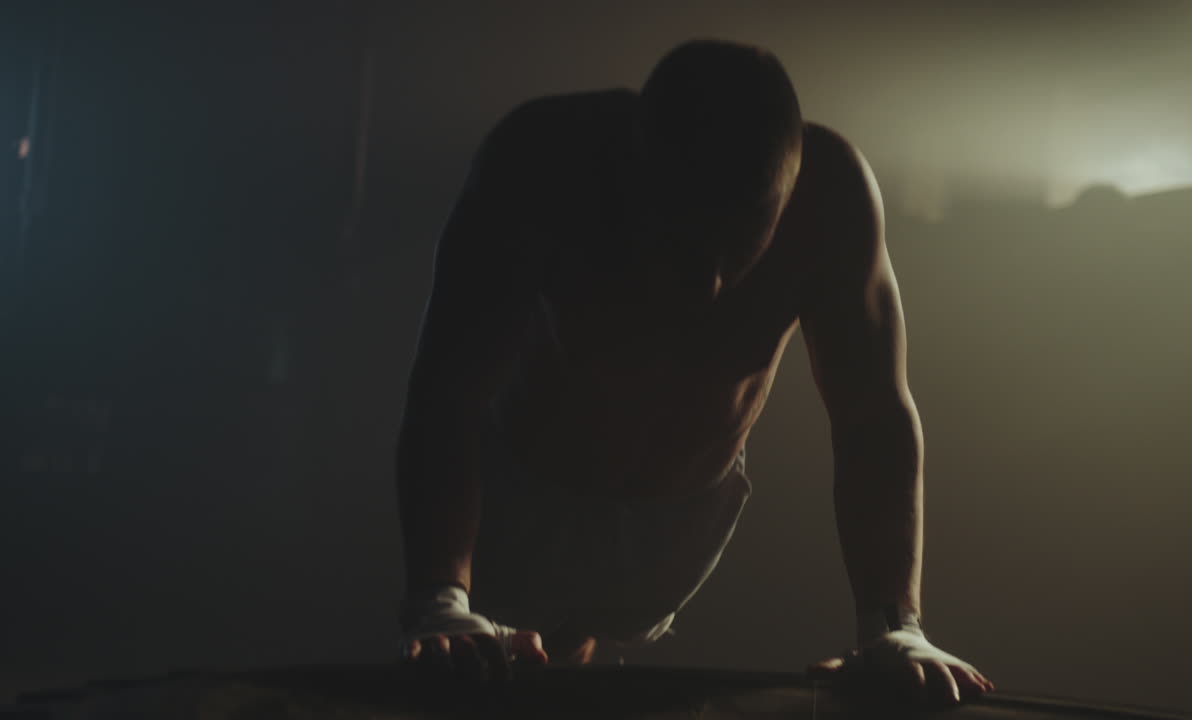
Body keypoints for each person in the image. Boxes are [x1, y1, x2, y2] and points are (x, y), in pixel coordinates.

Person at [395, 39, 994, 706]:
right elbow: (447, 392)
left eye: (741, 244)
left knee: (570, 645)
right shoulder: (541, 161)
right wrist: (440, 595)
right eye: (683, 241)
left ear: (786, 198)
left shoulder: (833, 197)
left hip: (680, 517)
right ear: (636, 170)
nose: (710, 284)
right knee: (496, 669)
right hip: (520, 493)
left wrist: (895, 626)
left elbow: (873, 418)